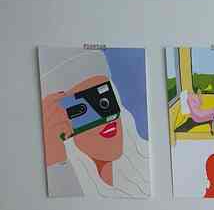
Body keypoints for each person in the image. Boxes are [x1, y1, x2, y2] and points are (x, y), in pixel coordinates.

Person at [40, 49, 150, 198]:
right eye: (83, 109)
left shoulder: (147, 166)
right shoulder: (61, 181)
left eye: (104, 101)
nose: (107, 120)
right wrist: (55, 160)